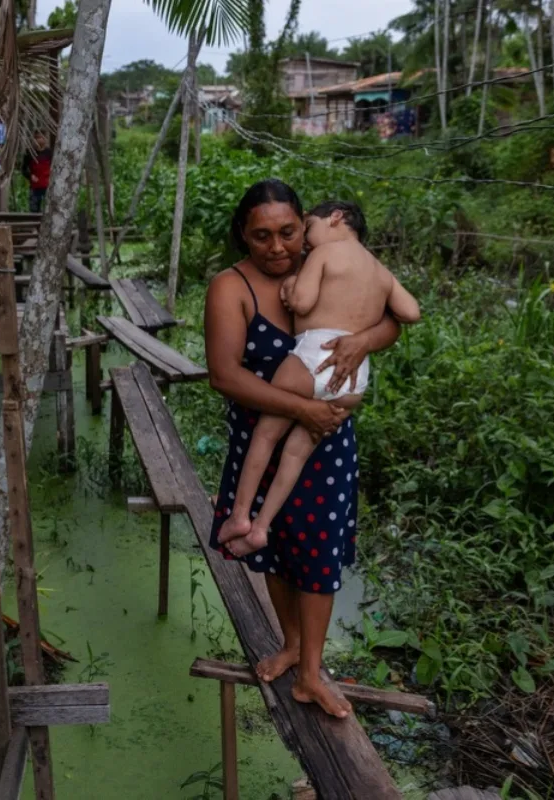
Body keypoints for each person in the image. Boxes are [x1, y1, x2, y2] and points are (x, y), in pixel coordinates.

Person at [206, 180, 403, 719]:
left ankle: (311, 674)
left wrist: (363, 339)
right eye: (261, 236)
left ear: (305, 224)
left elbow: (393, 318)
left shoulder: (329, 262)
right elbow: (224, 376)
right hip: (261, 442)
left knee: (317, 553)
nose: (278, 247)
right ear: (242, 235)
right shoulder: (231, 288)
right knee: (273, 548)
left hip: (326, 443)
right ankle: (291, 644)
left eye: (288, 233)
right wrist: (302, 408)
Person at [218, 201, 420, 558]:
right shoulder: (380, 270)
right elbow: (410, 312)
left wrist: (291, 285)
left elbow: (303, 302)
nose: (306, 241)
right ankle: (261, 528)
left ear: (336, 218)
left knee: (265, 435)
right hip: (352, 381)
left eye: (308, 227)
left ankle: (240, 515)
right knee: (295, 454)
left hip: (316, 353)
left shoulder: (325, 253)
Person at [21, 130, 52, 212]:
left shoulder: (49, 153)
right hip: (35, 187)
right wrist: (30, 176)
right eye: (36, 138)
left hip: (47, 186)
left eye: (40, 137)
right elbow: (23, 169)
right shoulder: (29, 153)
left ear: (45, 139)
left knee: (48, 210)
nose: (38, 140)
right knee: (34, 211)